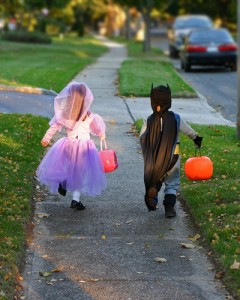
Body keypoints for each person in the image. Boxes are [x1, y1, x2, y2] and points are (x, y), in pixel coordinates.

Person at [36, 81, 107, 210]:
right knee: (80, 173)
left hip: (68, 145)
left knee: (68, 167)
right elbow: (96, 128)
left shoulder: (65, 114)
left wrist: (46, 139)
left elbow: (54, 126)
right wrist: (102, 134)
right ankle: (75, 199)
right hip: (84, 148)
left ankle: (63, 181)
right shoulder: (88, 115)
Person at [140, 84, 203, 218]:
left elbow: (142, 137)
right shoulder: (176, 118)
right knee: (172, 183)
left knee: (156, 178)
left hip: (156, 160)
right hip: (173, 158)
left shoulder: (148, 120)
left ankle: (154, 190)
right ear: (170, 102)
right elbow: (189, 131)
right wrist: (196, 138)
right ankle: (169, 208)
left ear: (152, 102)